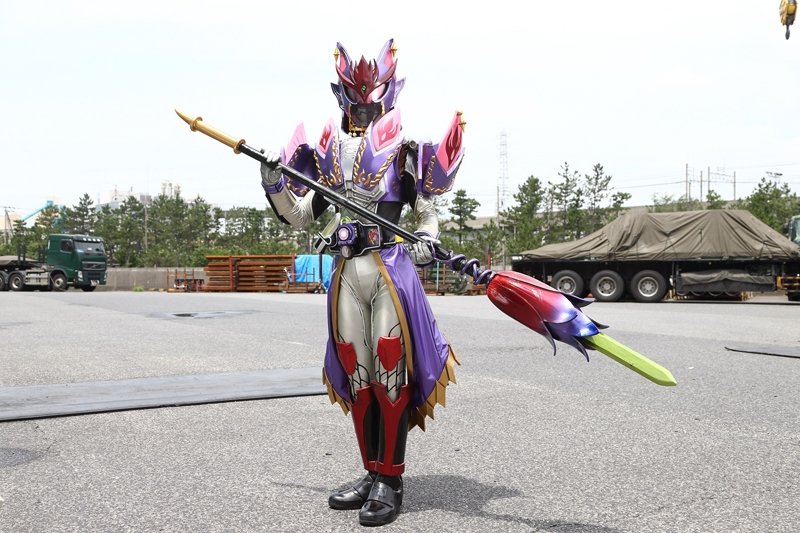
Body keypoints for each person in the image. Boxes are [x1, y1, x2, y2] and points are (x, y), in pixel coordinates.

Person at [259, 38, 465, 527]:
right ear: (342, 97)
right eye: (355, 102)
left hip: (389, 270)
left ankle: (391, 480)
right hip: (348, 272)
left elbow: (427, 213)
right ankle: (371, 472)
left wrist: (426, 239)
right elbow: (300, 214)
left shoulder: (405, 154)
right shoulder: (329, 156)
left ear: (388, 96)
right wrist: (272, 180)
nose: (363, 110)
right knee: (357, 373)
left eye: (371, 102)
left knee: (391, 370)